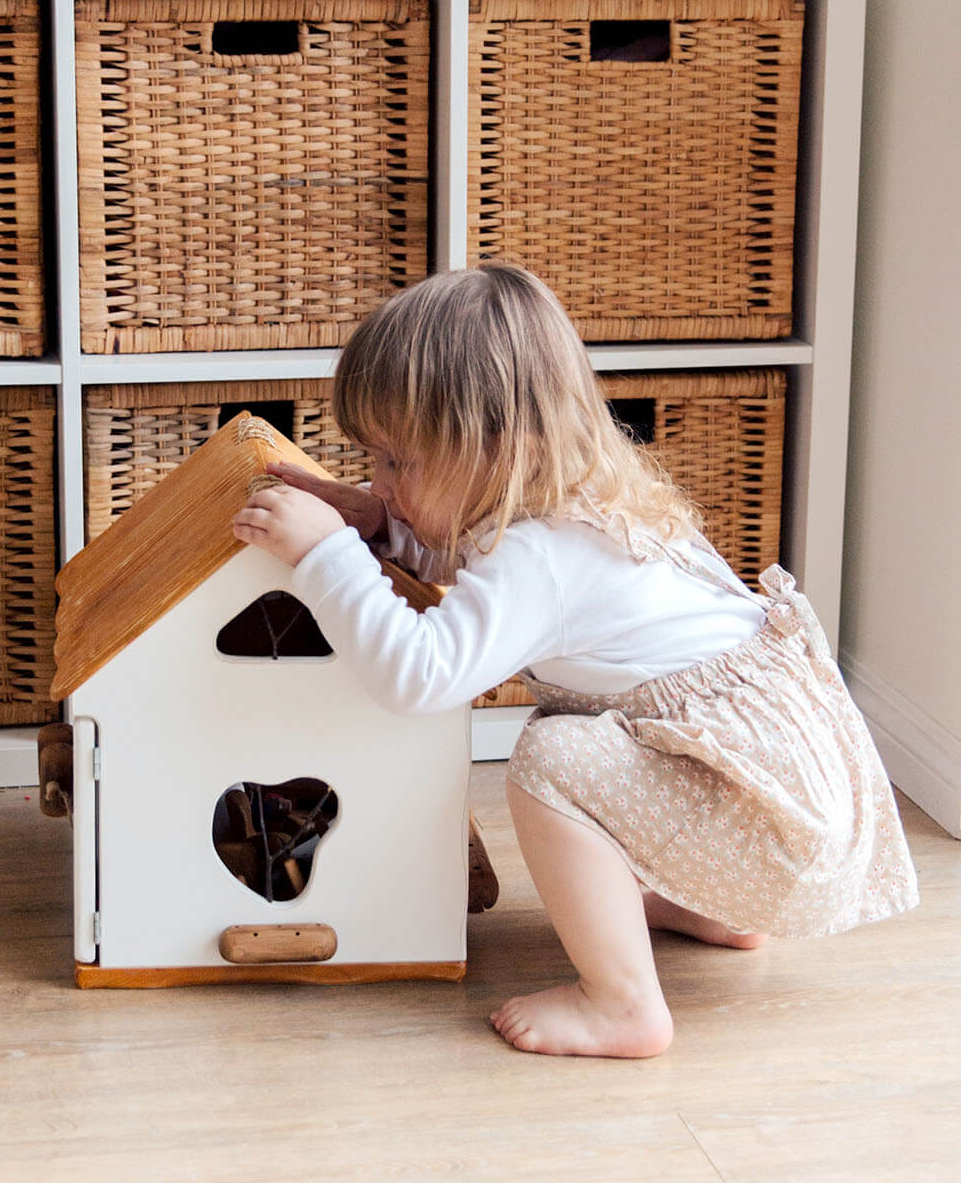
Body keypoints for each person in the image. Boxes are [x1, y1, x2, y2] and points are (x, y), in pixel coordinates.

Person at [232, 262, 918, 1059]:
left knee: (553, 754)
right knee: (591, 740)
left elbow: (417, 676)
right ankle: (717, 909)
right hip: (783, 809)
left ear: (499, 446)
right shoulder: (585, 495)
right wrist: (384, 532)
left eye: (398, 463)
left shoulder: (543, 557)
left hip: (772, 835)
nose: (379, 482)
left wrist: (328, 559)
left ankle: (623, 1006)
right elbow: (480, 558)